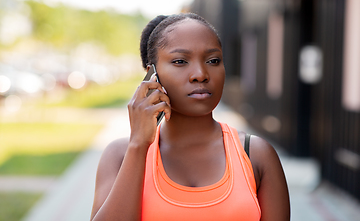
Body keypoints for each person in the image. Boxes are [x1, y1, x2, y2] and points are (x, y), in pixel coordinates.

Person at [91, 13, 290, 221]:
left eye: (213, 60)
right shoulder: (121, 155)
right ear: (152, 76)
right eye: (180, 61)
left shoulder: (255, 155)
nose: (201, 74)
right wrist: (139, 145)